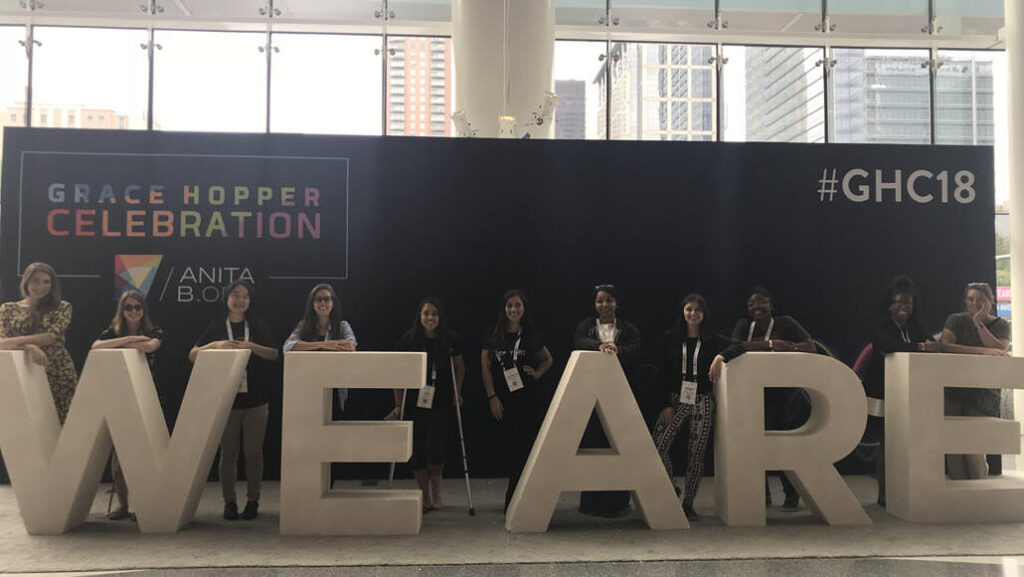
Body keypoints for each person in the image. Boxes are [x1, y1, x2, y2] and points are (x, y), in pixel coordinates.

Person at [189, 280, 279, 521]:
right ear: (227, 298)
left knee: (253, 453)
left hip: (257, 400)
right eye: (236, 295)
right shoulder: (218, 325)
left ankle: (253, 500)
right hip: (227, 400)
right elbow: (193, 355)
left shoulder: (257, 324)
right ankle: (229, 502)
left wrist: (251, 346)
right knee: (227, 454)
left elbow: (273, 354)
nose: (240, 300)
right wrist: (215, 345)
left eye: (245, 296)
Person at [729, 286, 815, 512]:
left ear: (771, 305)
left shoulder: (785, 323)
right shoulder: (744, 325)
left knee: (780, 445)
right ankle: (762, 493)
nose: (756, 306)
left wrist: (791, 347)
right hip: (749, 394)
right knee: (754, 445)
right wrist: (769, 345)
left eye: (761, 301)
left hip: (782, 393)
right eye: (751, 304)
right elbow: (734, 346)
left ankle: (791, 493)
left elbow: (811, 346)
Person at [652, 294, 734, 521]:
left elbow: (739, 347)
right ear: (682, 312)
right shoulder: (670, 339)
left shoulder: (713, 339)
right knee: (657, 446)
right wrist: (664, 405)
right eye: (689, 309)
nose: (693, 314)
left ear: (704, 314)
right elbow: (660, 373)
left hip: (703, 399)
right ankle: (672, 487)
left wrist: (720, 356)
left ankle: (688, 503)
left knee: (696, 453)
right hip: (677, 399)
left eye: (698, 310)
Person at [861, 276, 941, 506]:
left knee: (907, 443)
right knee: (887, 442)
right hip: (883, 391)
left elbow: (931, 343)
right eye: (899, 303)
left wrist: (926, 345)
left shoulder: (915, 325)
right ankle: (884, 494)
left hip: (911, 391)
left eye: (909, 304)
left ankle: (906, 490)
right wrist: (921, 347)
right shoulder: (882, 325)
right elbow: (886, 345)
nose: (904, 308)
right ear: (889, 304)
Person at [91, 290, 164, 521]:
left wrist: (137, 342)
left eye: (137, 307)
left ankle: (144, 505)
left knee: (144, 454)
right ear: (121, 311)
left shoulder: (154, 331)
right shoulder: (111, 332)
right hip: (118, 396)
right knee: (119, 455)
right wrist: (128, 340)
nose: (133, 311)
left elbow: (151, 346)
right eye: (128, 307)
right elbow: (95, 347)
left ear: (144, 310)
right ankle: (123, 505)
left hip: (145, 395)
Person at [388, 298, 464, 512]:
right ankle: (424, 495)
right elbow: (398, 374)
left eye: (434, 314)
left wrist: (457, 393)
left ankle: (436, 490)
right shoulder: (409, 340)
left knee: (435, 447)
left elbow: (459, 368)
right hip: (414, 403)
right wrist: (398, 403)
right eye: (426, 313)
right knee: (417, 450)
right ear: (420, 316)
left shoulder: (450, 340)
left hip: (440, 402)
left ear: (440, 317)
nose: (430, 318)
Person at [481, 289, 554, 513]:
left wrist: (539, 373)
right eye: (510, 306)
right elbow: (485, 367)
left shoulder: (530, 333)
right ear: (504, 309)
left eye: (518, 306)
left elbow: (549, 359)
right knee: (509, 449)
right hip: (503, 399)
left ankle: (514, 499)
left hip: (527, 399)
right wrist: (492, 396)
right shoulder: (494, 334)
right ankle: (516, 496)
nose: (513, 310)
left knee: (525, 448)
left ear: (524, 309)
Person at [573, 284, 641, 518]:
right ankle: (591, 503)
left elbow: (636, 349)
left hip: (620, 395)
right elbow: (578, 341)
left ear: (616, 303)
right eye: (600, 301)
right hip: (591, 396)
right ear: (595, 304)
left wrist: (618, 349)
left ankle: (617, 502)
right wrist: (599, 346)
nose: (604, 305)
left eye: (609, 300)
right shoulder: (587, 327)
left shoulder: (627, 328)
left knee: (619, 447)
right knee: (593, 445)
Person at [939, 282, 1010, 480]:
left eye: (980, 299)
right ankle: (958, 493)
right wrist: (983, 352)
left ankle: (978, 490)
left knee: (974, 445)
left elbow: (1000, 349)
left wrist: (978, 322)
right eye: (971, 299)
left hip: (984, 391)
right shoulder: (956, 320)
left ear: (990, 301)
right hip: (954, 388)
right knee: (953, 443)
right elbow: (947, 346)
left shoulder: (1002, 325)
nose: (974, 303)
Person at [0, 262, 77, 423]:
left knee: (61, 425)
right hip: (20, 374)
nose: (40, 286)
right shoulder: (7, 309)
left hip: (57, 373)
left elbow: (49, 337)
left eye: (46, 282)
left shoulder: (62, 307)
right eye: (35, 280)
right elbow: (1, 342)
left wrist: (16, 343)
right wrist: (28, 347)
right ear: (26, 281)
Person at [283, 283, 357, 413]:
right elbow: (287, 348)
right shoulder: (303, 326)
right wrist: (324, 344)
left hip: (335, 385)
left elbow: (351, 347)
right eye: (318, 299)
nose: (323, 303)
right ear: (312, 304)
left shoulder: (342, 326)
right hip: (309, 385)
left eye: (327, 299)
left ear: (333, 303)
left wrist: (305, 346)